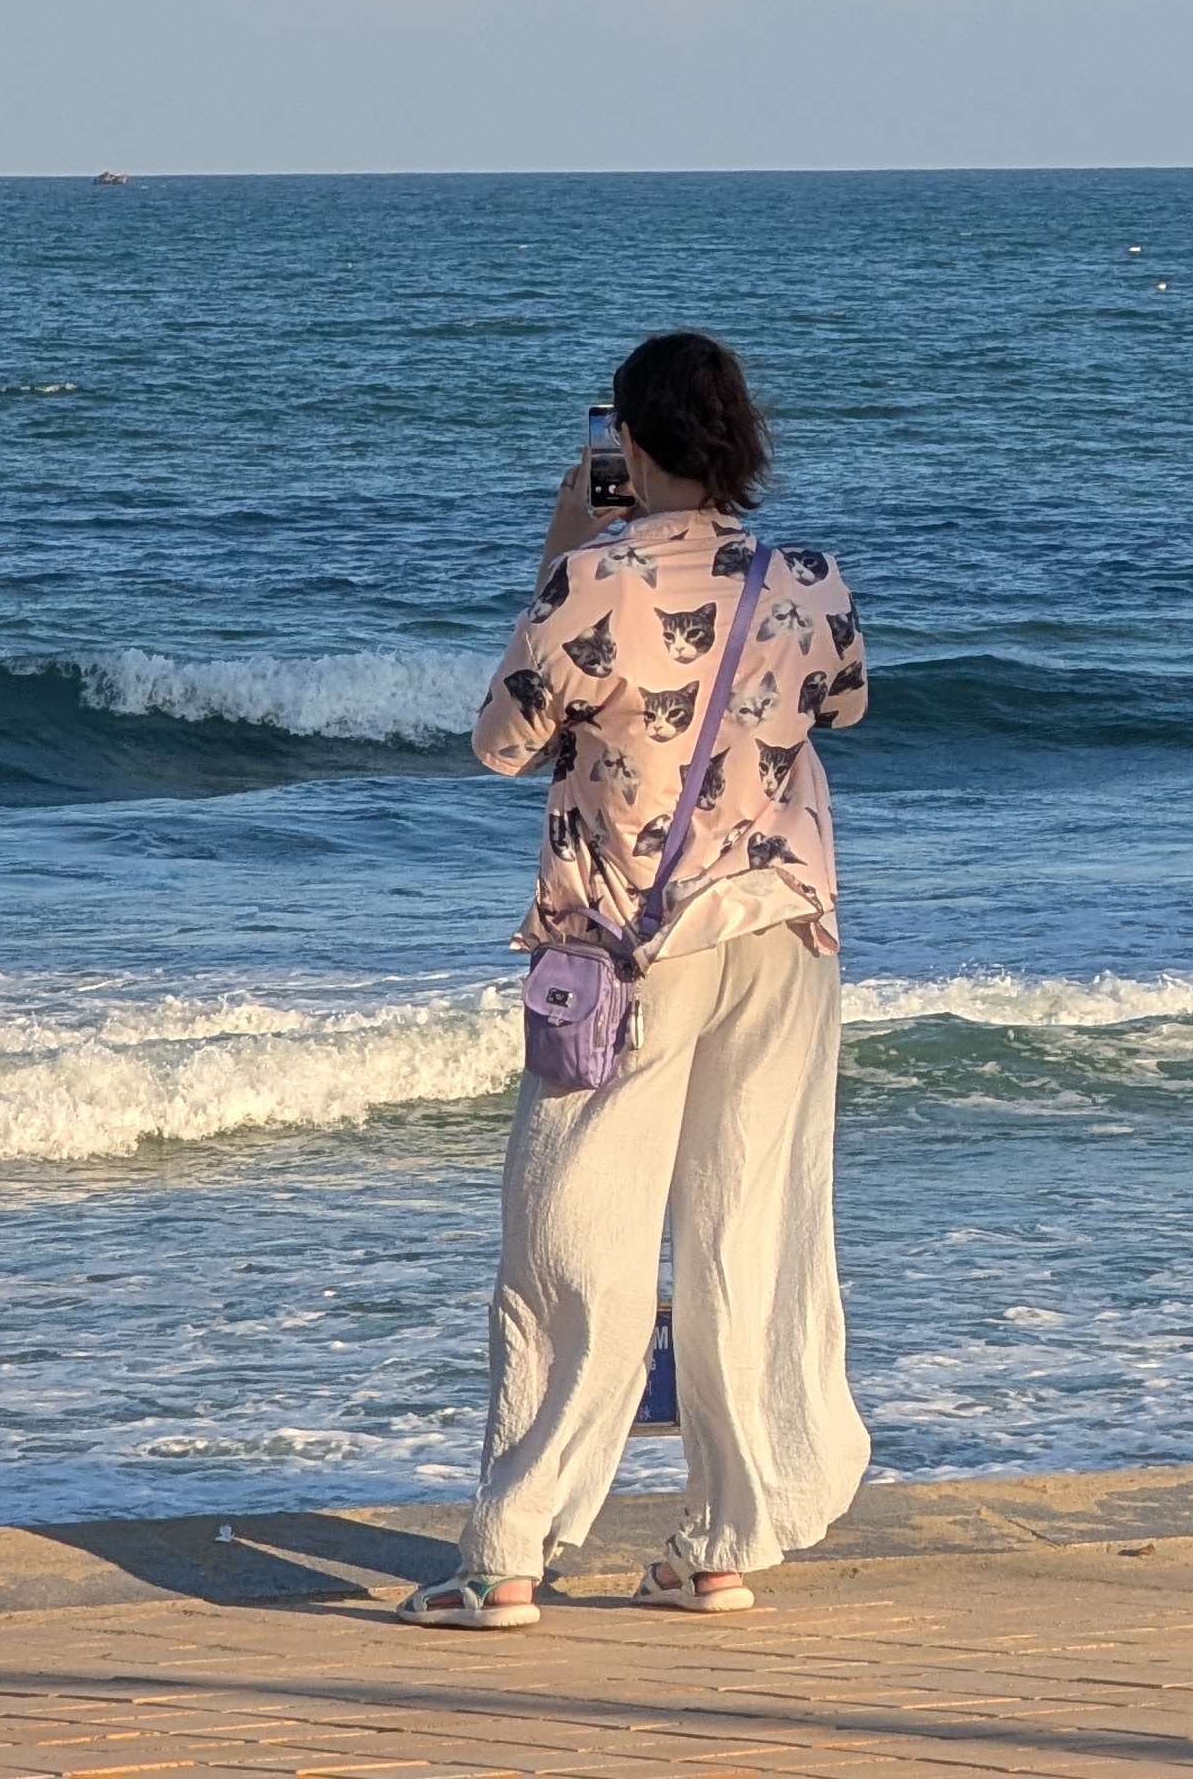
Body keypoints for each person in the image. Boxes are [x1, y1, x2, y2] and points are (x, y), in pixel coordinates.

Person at [402, 331, 874, 1630]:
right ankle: (723, 1543)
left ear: (634, 444)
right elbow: (840, 708)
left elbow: (502, 742)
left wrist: (561, 554)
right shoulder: (810, 576)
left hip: (624, 950)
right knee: (751, 1233)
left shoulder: (594, 579)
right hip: (783, 937)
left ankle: (509, 1554)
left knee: (572, 1238)